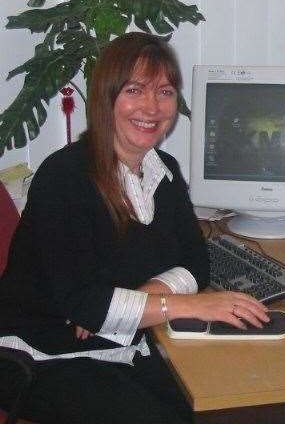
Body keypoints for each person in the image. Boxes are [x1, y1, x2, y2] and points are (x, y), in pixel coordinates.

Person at [0, 32, 269, 424]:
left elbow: (195, 264)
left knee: (221, 402)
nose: (152, 106)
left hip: (123, 341)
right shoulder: (64, 177)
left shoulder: (164, 171)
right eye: (135, 89)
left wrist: (143, 296)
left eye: (165, 91)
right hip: (41, 352)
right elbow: (84, 305)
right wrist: (189, 304)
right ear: (106, 97)